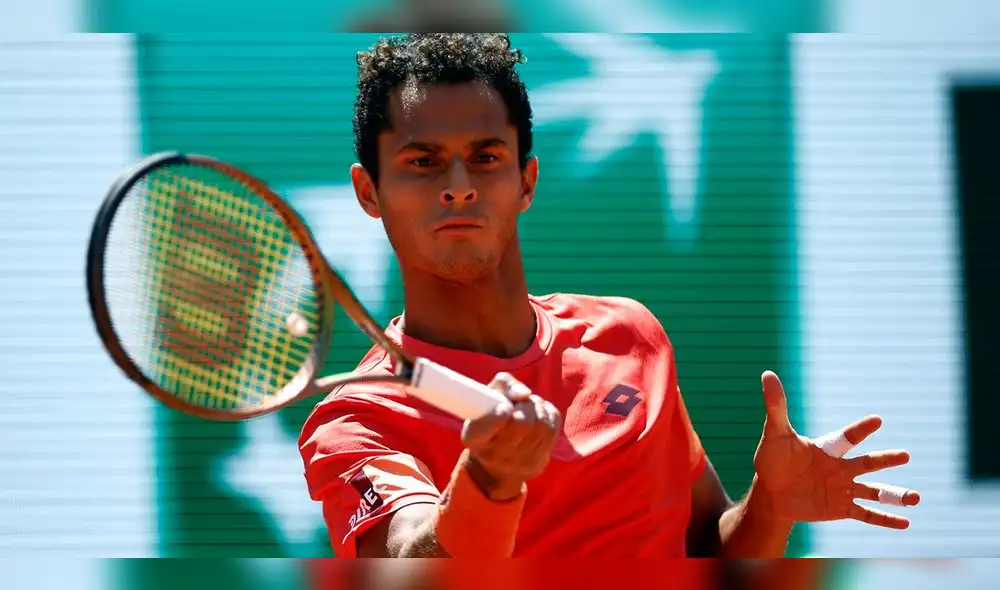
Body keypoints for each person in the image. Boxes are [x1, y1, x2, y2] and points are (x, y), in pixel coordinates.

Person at [297, 33, 920, 558]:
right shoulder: (355, 420)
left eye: (485, 157)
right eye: (423, 162)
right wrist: (490, 480)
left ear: (526, 180)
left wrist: (771, 506)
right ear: (368, 192)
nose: (458, 186)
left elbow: (708, 549)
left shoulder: (631, 335)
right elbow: (410, 557)